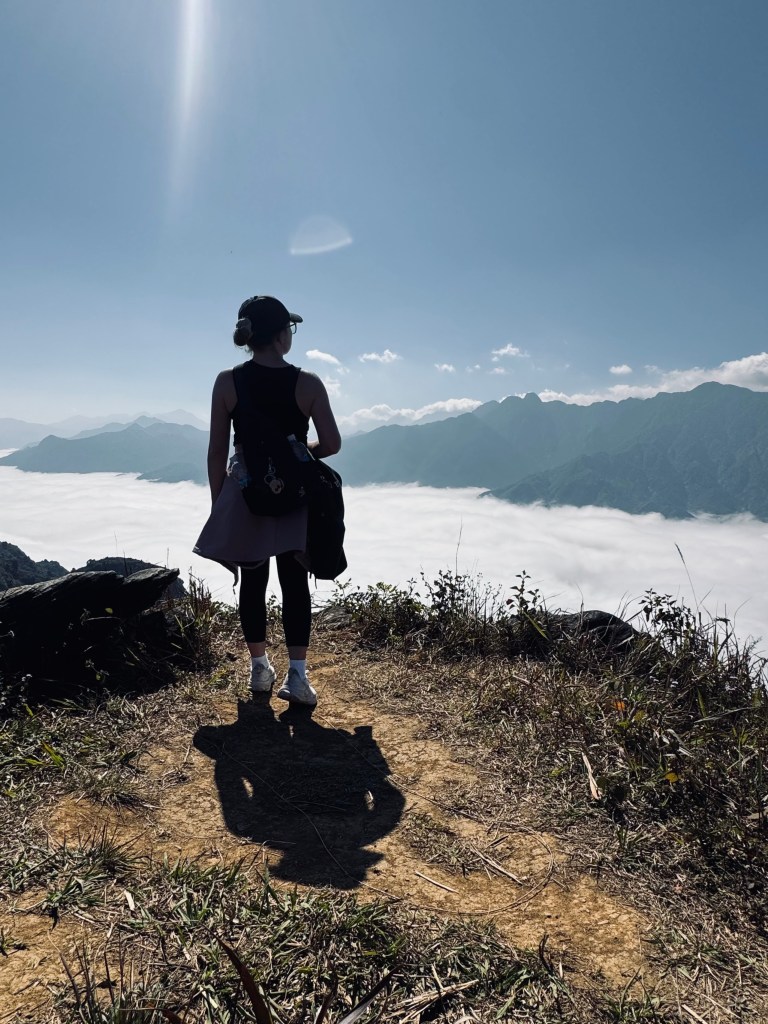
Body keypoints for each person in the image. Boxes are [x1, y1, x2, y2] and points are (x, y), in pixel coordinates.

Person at [194, 295, 341, 706]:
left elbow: (215, 450)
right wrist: (298, 449)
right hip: (294, 492)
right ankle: (298, 678)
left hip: (244, 492)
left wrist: (219, 503)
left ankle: (259, 669)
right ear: (281, 335)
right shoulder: (308, 383)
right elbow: (331, 443)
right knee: (295, 582)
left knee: (253, 581)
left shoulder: (228, 382)